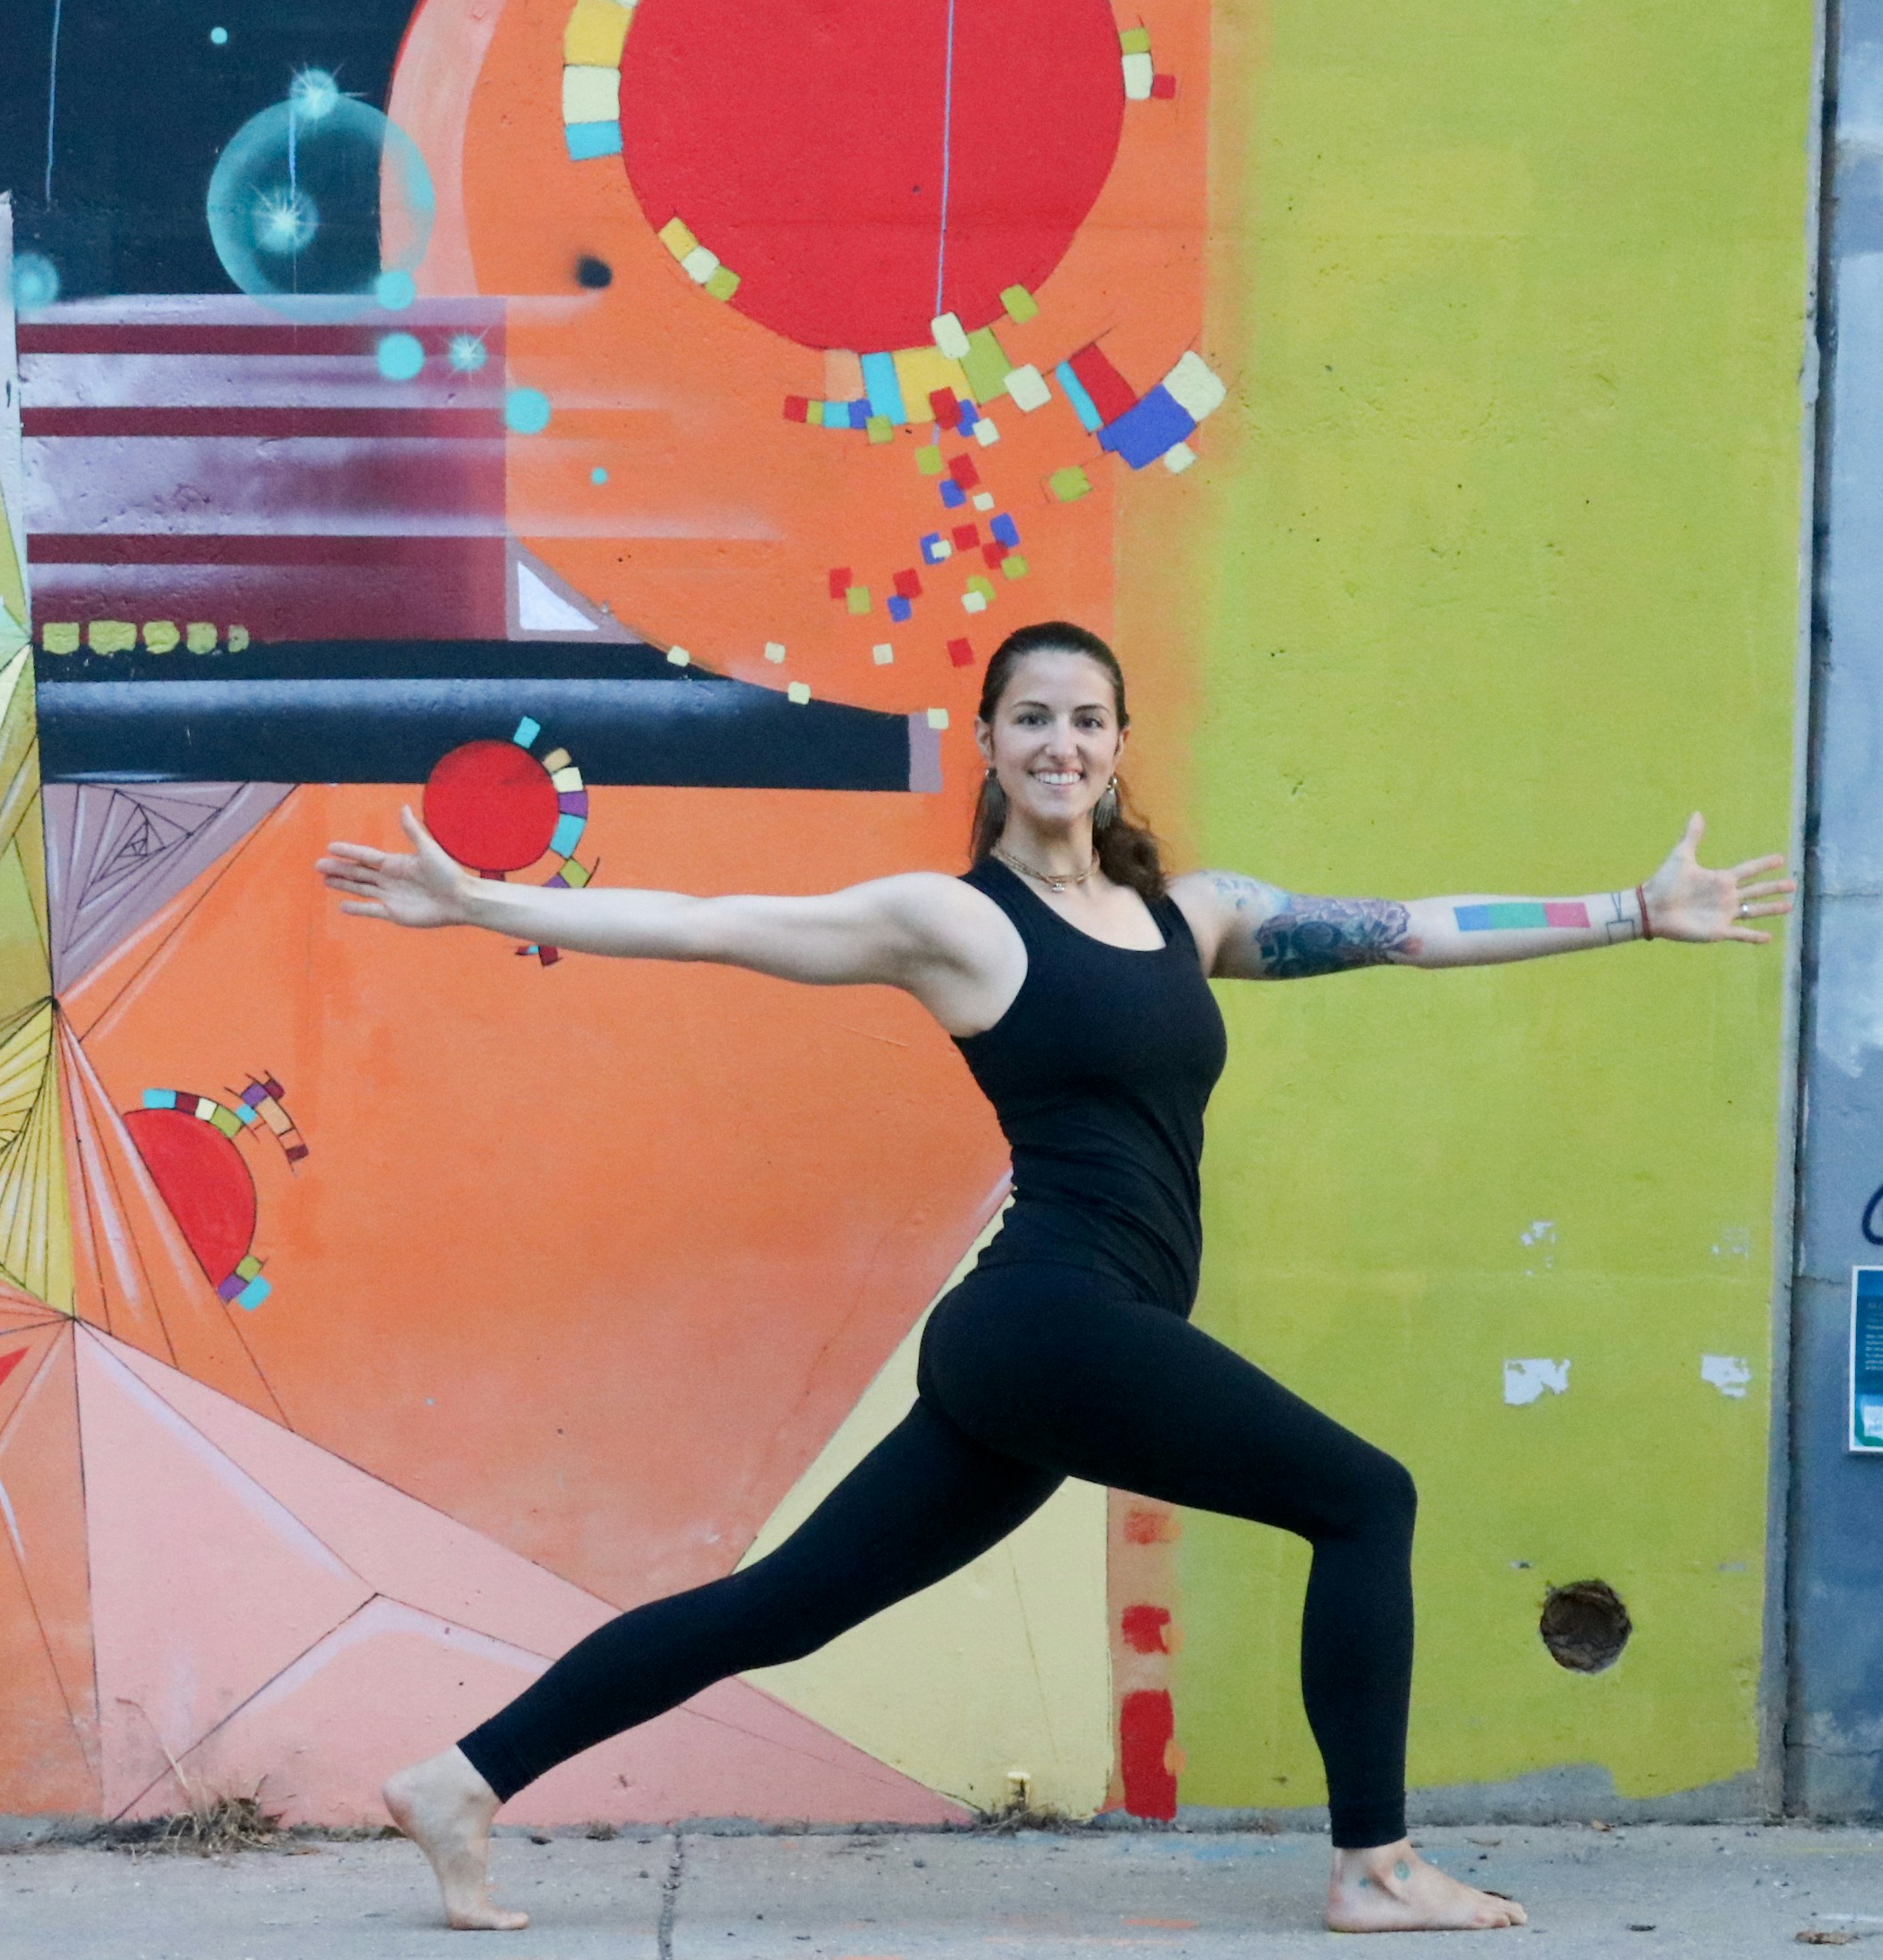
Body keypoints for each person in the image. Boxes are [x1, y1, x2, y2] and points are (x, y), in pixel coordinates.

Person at [317, 620, 1794, 1935]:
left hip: (1053, 1346)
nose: (1062, 743)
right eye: (1032, 716)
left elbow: (1411, 932)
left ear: (1120, 744)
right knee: (1364, 1497)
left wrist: (1632, 911)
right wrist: (491, 906)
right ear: (991, 744)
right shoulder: (957, 923)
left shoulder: (1190, 917)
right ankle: (1375, 1868)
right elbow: (722, 928)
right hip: (1047, 1320)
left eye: (1088, 718)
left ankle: (460, 1780)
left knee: (783, 1606)